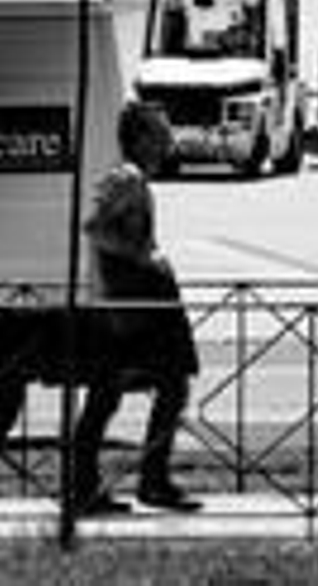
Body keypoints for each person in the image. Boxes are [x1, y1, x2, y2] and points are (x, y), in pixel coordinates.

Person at [73, 101, 201, 516]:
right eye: (161, 134)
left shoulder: (134, 179)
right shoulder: (127, 178)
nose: (168, 143)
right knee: (166, 386)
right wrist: (144, 256)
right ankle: (150, 481)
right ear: (141, 138)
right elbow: (94, 227)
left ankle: (92, 486)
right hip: (132, 305)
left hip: (131, 302)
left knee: (109, 396)